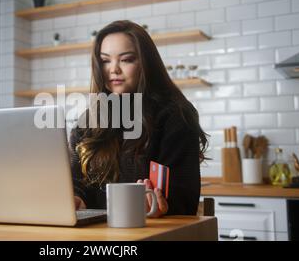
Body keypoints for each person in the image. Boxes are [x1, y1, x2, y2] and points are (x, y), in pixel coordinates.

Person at [69, 20, 209, 217]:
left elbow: (184, 197)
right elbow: (77, 182)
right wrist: (76, 198)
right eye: (105, 60)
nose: (113, 69)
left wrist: (159, 204)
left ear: (145, 62)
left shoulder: (175, 115)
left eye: (126, 59)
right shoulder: (90, 119)